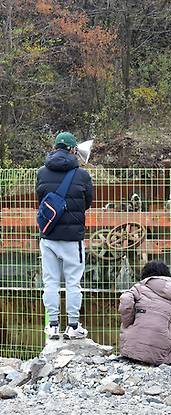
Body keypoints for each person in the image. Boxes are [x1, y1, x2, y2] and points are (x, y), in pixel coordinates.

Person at [36, 131, 93, 340]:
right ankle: (73, 325)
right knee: (73, 282)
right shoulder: (82, 175)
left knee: (50, 281)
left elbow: (41, 200)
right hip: (73, 238)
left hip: (48, 235)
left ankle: (52, 325)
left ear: (55, 147)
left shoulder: (42, 172)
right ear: (72, 149)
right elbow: (87, 203)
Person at [119, 261, 171, 365]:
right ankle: (163, 359)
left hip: (132, 352)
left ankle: (136, 353)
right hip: (161, 344)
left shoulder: (139, 287)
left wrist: (128, 322)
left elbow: (125, 299)